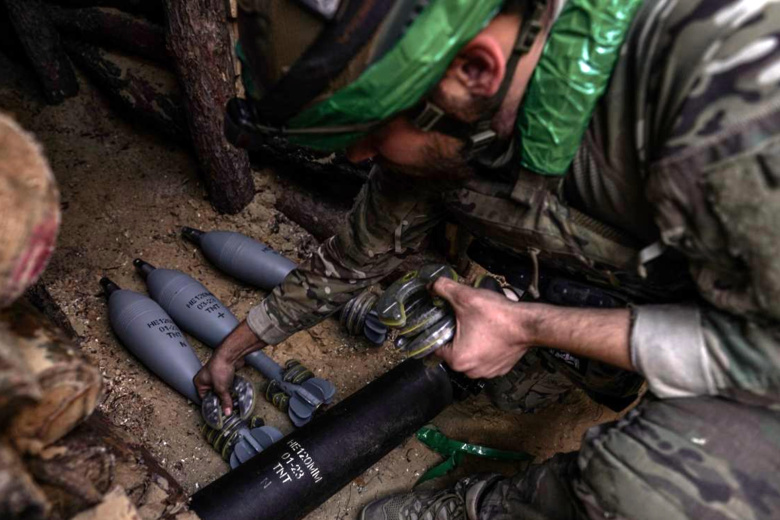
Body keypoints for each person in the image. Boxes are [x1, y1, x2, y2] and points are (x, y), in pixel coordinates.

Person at [195, 0, 780, 518]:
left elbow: (766, 355)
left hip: (757, 341)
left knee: (651, 497)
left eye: (370, 132)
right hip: (657, 292)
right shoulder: (449, 109)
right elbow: (354, 258)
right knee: (519, 372)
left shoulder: (730, 97)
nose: (357, 156)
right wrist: (238, 346)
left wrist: (528, 326)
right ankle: (588, 362)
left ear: (476, 68)